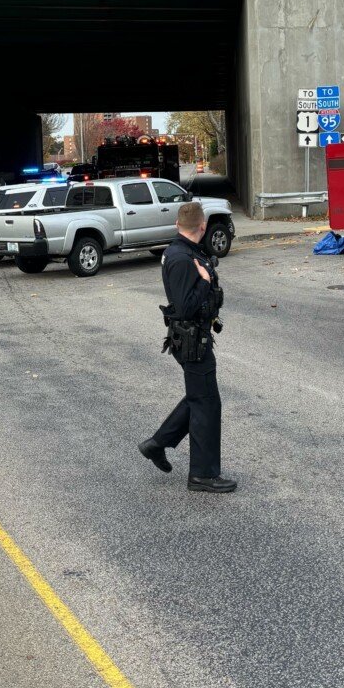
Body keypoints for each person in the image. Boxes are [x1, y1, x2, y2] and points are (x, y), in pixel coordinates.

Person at [139, 201, 236, 493]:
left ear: (178, 226)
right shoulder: (181, 257)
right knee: (206, 403)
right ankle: (202, 475)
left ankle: (157, 444)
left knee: (200, 397)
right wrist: (205, 282)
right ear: (203, 226)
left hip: (196, 337)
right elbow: (184, 306)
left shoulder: (187, 251)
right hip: (191, 339)